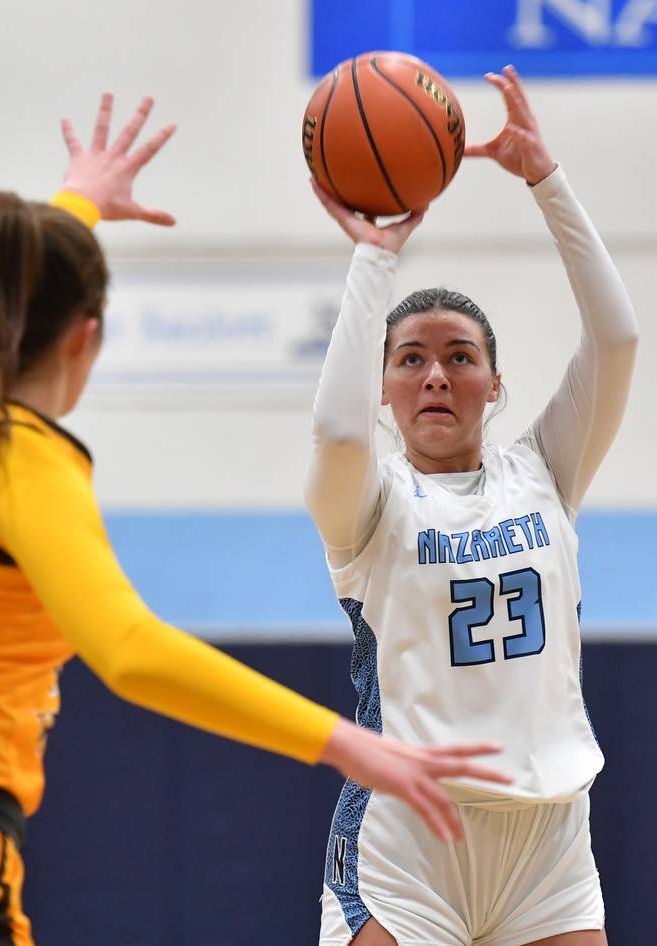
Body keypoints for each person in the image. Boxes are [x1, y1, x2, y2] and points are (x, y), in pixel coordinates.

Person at [0, 94, 509, 946]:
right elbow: (128, 651)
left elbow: (11, 295)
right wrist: (347, 744)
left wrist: (77, 203)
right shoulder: (24, 458)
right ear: (86, 339)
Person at [307, 66, 637, 946]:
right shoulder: (370, 506)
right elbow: (335, 434)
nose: (436, 374)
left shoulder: (546, 470)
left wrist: (546, 180)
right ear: (384, 390)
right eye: (409, 359)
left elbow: (618, 338)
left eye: (459, 356)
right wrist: (375, 253)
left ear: (496, 384)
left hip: (550, 842)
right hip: (409, 841)